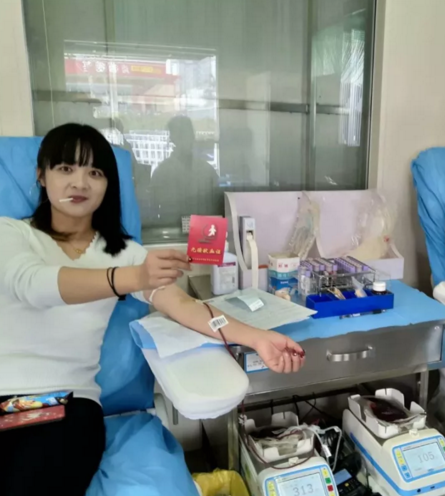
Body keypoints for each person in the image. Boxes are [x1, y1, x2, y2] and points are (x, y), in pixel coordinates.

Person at [0, 124, 305, 495]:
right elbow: (33, 285)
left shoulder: (124, 252)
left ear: (108, 184)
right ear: (41, 175)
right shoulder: (12, 234)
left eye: (95, 172)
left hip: (67, 405)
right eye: (65, 168)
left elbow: (185, 306)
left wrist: (257, 337)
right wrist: (133, 277)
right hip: (7, 401)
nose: (80, 182)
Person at [149, 115, 222, 228]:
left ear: (193, 136)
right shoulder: (161, 173)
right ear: (173, 139)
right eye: (180, 135)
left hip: (204, 234)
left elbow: (219, 208)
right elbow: (153, 213)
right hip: (171, 234)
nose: (185, 140)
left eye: (187, 134)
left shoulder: (207, 171)